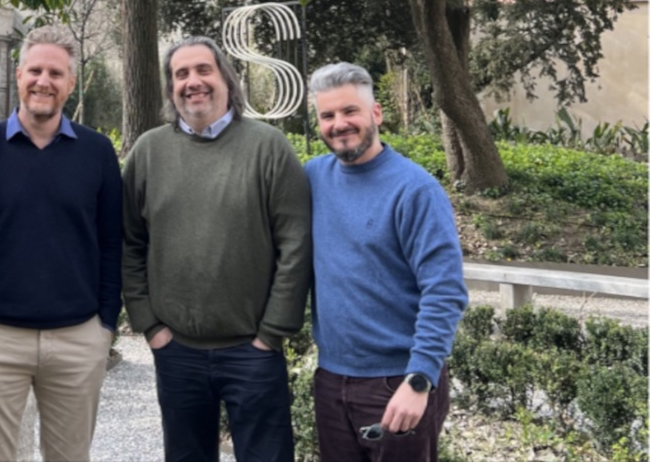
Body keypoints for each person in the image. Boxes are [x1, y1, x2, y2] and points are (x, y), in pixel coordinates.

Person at [121, 36, 312, 462]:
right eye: (181, 74)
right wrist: (149, 324)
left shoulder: (268, 147)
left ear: (227, 78)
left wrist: (272, 333)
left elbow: (295, 244)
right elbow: (130, 242)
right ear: (171, 87)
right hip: (177, 351)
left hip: (253, 351)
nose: (193, 81)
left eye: (203, 70)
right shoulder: (149, 151)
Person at [0, 25, 122, 462]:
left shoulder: (97, 153)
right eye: (35, 70)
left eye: (56, 73)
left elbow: (112, 243)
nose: (44, 81)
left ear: (71, 83)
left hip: (78, 340)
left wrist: (105, 326)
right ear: (18, 74)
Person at [305, 62, 468, 462]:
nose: (339, 124)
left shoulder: (415, 190)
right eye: (327, 115)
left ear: (376, 113)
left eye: (350, 111)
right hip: (331, 379)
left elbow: (445, 290)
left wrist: (420, 379)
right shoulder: (311, 179)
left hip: (398, 382)